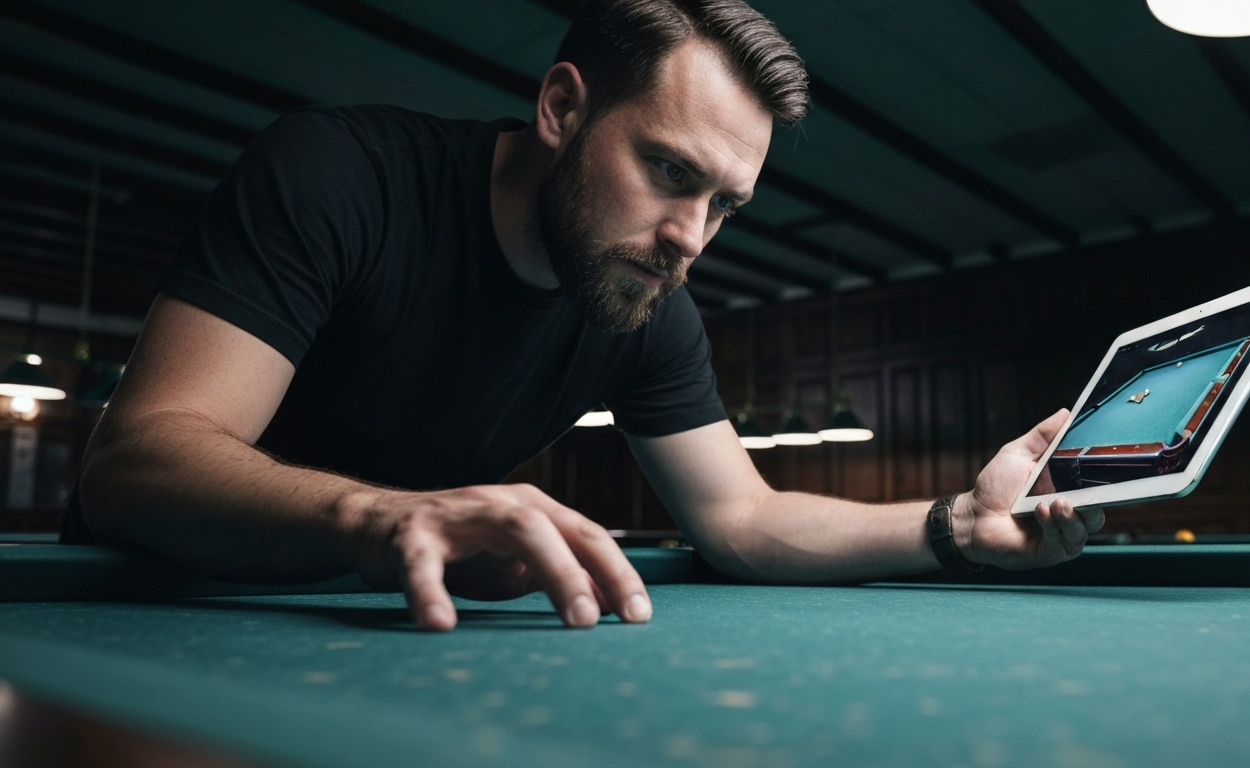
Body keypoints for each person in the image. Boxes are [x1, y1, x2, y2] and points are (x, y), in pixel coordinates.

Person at [71, 0, 1102, 632]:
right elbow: (136, 462)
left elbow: (742, 519)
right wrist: (380, 515)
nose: (690, 237)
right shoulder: (340, 176)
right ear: (563, 109)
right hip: (153, 604)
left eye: (724, 205)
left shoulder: (645, 305)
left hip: (397, 626)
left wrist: (954, 526)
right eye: (667, 171)